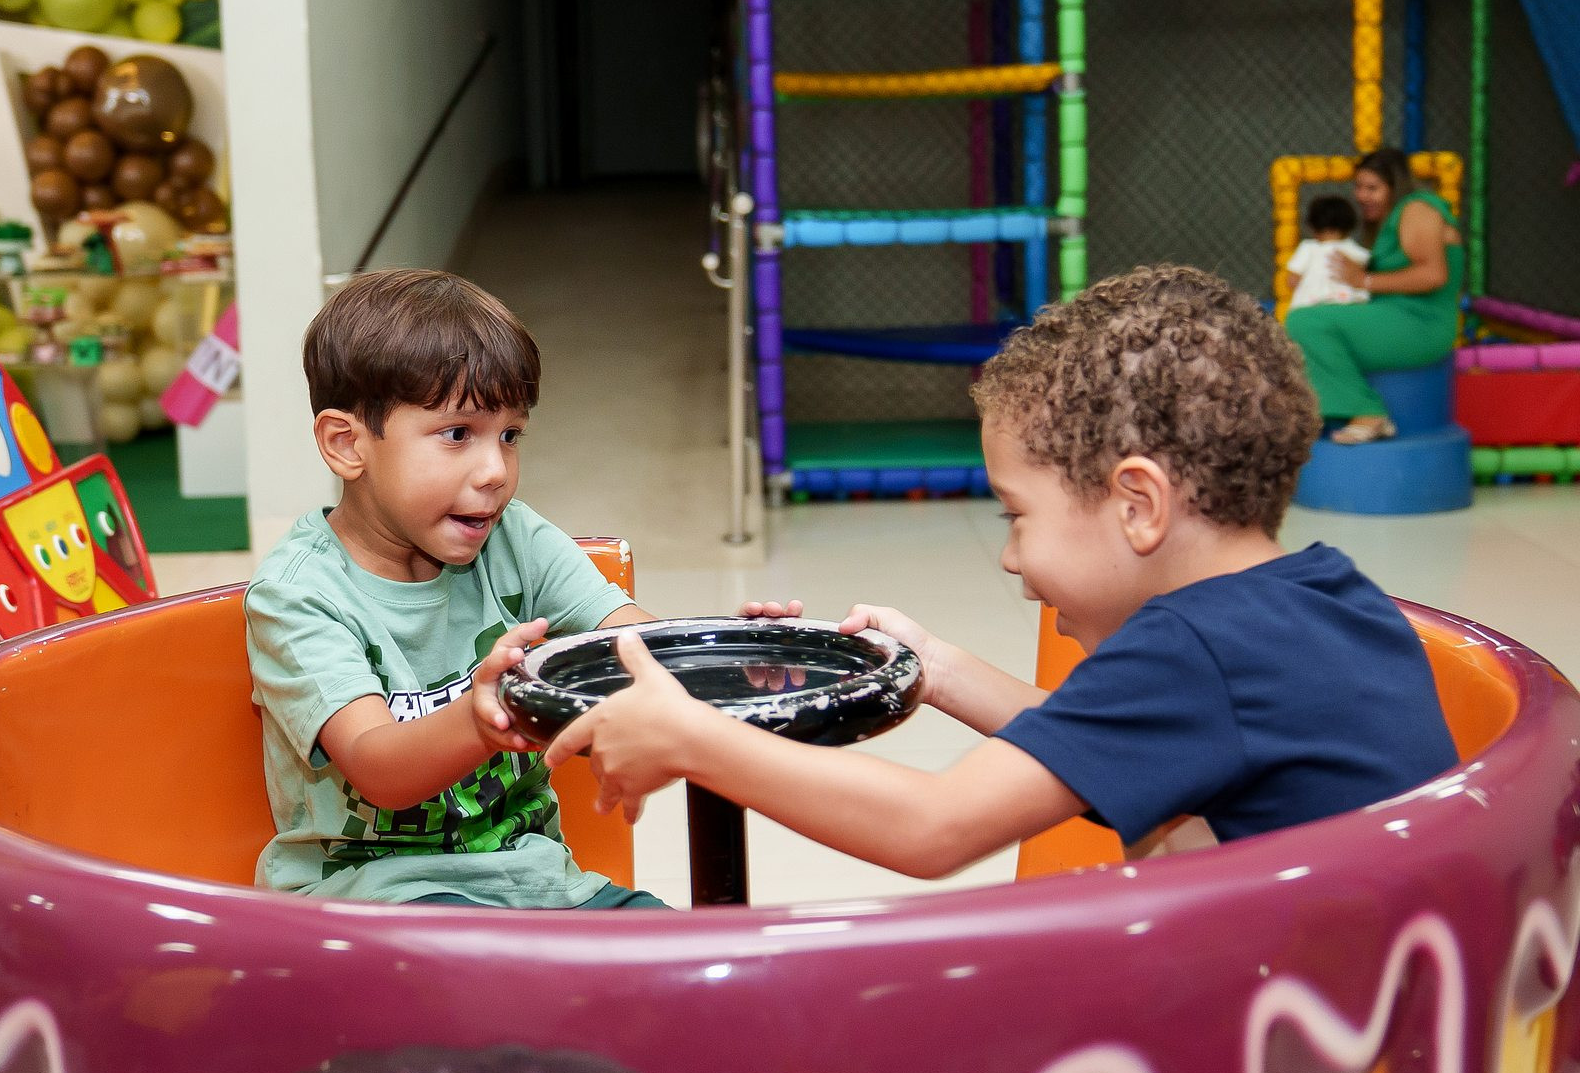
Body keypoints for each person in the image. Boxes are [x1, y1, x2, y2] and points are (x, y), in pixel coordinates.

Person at [535, 266, 1458, 878]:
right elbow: (1100, 744)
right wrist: (932, 666)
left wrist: (694, 739)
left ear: (1138, 504)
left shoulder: (1195, 648)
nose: (1011, 558)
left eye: (1018, 516)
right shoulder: (1323, 598)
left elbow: (932, 828)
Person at [245, 267, 664, 909]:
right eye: (458, 434)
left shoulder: (515, 539)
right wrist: (481, 715)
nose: (495, 471)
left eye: (510, 435)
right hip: (371, 902)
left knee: (685, 957)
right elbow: (380, 768)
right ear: (346, 444)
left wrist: (738, 654)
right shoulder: (298, 595)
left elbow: (638, 646)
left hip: (539, 885)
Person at [1286, 148, 1466, 445]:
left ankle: (1367, 412)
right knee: (1311, 317)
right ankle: (1325, 412)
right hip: (1396, 317)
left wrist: (1364, 280)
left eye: (1372, 188)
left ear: (1395, 187)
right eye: (1358, 187)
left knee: (1306, 322)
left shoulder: (1417, 209)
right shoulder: (1392, 219)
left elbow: (1434, 275)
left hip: (1421, 325)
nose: (1362, 196)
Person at [1286, 194, 1369, 310]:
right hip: (1349, 309)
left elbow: (1292, 281)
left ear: (1313, 226)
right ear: (1350, 225)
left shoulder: (1308, 248)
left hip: (1311, 309)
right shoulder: (1356, 251)